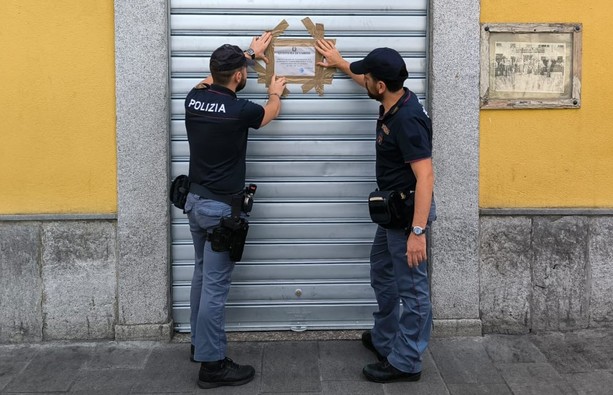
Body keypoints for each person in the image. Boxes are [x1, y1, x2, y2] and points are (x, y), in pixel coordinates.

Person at [315, 40, 436, 383]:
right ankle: (385, 339)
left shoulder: (408, 121)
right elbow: (366, 82)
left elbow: (426, 176)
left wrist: (418, 232)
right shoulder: (394, 98)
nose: (364, 80)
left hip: (408, 217)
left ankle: (407, 361)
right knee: (382, 273)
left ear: (380, 85)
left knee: (413, 292)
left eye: (367, 77)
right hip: (392, 213)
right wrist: (340, 63)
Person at [184, 32, 286, 389]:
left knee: (200, 275)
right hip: (220, 210)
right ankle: (212, 366)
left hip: (195, 203)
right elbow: (270, 113)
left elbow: (212, 78)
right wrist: (275, 90)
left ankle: (200, 343)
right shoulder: (241, 110)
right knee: (214, 286)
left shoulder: (194, 97)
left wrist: (247, 54)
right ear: (240, 77)